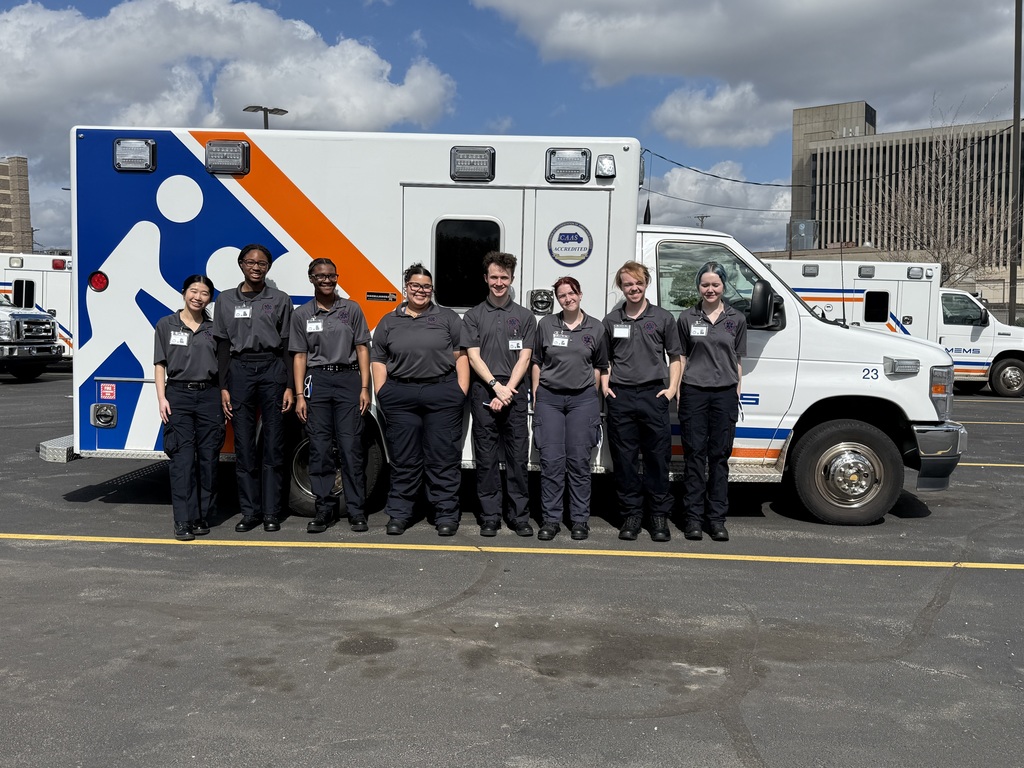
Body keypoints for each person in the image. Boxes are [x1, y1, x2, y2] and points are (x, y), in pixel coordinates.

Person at [371, 264, 469, 536]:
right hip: (400, 396)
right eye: (415, 285)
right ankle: (401, 514)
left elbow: (461, 355)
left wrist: (460, 390)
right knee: (404, 459)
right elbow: (377, 357)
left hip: (442, 394)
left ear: (432, 289)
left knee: (443, 457)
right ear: (406, 287)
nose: (421, 291)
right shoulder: (389, 321)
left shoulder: (448, 318)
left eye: (426, 287)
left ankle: (446, 514)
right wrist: (382, 391)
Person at [213, 244, 294, 533]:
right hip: (240, 370)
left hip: (272, 368)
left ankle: (272, 512)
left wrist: (288, 385)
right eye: (251, 262)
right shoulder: (224, 300)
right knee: (244, 445)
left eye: (262, 263)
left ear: (268, 267)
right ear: (241, 264)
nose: (256, 267)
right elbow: (222, 344)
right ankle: (250, 512)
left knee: (273, 445)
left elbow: (288, 344)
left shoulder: (280, 299)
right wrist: (223, 385)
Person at [601, 261, 682, 543]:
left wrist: (671, 389)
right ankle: (631, 515)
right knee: (624, 460)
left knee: (657, 459)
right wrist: (606, 386)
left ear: (646, 283)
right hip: (621, 396)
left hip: (653, 395)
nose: (633, 288)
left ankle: (658, 516)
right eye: (627, 284)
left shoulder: (662, 318)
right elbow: (604, 359)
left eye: (638, 283)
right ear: (621, 287)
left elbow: (675, 356)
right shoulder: (611, 321)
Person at [290, 258, 372, 534]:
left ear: (337, 278)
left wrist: (364, 388)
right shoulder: (302, 314)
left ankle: (357, 511)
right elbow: (300, 356)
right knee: (320, 448)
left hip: (348, 380)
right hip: (318, 381)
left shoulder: (351, 309)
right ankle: (324, 510)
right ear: (311, 278)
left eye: (331, 276)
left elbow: (362, 348)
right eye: (320, 276)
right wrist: (300, 394)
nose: (326, 280)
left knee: (351, 449)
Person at [461, 251, 537, 537]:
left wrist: (507, 390)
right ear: (485, 278)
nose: (499, 282)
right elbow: (473, 356)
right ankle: (490, 517)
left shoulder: (525, 316)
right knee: (487, 458)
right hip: (485, 388)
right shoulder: (473, 316)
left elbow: (525, 358)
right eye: (494, 277)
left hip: (514, 391)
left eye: (504, 277)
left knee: (518, 458)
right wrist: (496, 386)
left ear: (512, 279)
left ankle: (519, 517)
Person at [531, 276, 608, 541]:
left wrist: (592, 396)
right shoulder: (546, 324)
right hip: (550, 399)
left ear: (580, 294)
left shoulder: (595, 328)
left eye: (571, 293)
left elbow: (600, 366)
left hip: (582, 401)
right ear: (558, 299)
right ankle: (551, 520)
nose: (567, 298)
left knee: (578, 462)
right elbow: (537, 362)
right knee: (551, 462)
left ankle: (579, 520)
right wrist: (536, 394)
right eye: (562, 295)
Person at [677, 261, 747, 542]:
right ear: (698, 287)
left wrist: (737, 391)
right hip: (694, 392)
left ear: (723, 285)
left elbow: (739, 360)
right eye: (704, 284)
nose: (709, 289)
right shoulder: (686, 318)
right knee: (694, 457)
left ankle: (716, 520)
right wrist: (680, 389)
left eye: (715, 284)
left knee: (719, 458)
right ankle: (693, 519)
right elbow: (681, 357)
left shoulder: (737, 319)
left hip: (724, 395)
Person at [154, 275, 224, 541]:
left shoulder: (214, 328)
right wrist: (161, 398)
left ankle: (200, 516)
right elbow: (159, 364)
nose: (198, 297)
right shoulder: (166, 325)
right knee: (182, 460)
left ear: (210, 298)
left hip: (209, 395)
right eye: (193, 291)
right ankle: (182, 520)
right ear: (184, 293)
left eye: (204, 293)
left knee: (208, 459)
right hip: (178, 396)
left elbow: (223, 364)